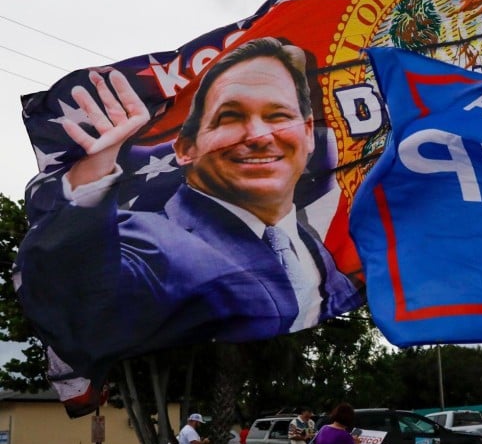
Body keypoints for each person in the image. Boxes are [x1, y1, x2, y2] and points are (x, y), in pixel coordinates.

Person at [16, 37, 361, 387]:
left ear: (308, 135)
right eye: (230, 117)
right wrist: (94, 179)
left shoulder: (311, 246)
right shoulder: (149, 238)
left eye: (278, 116)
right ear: (185, 149)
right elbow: (81, 290)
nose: (259, 135)